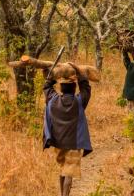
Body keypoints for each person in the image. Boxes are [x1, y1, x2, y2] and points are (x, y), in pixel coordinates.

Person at [43, 63, 92, 196]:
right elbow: (86, 88)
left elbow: (46, 87)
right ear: (74, 88)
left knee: (63, 169)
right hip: (74, 144)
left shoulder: (52, 100)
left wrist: (53, 74)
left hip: (58, 143)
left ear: (61, 88)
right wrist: (78, 70)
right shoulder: (79, 101)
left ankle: (62, 194)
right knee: (69, 172)